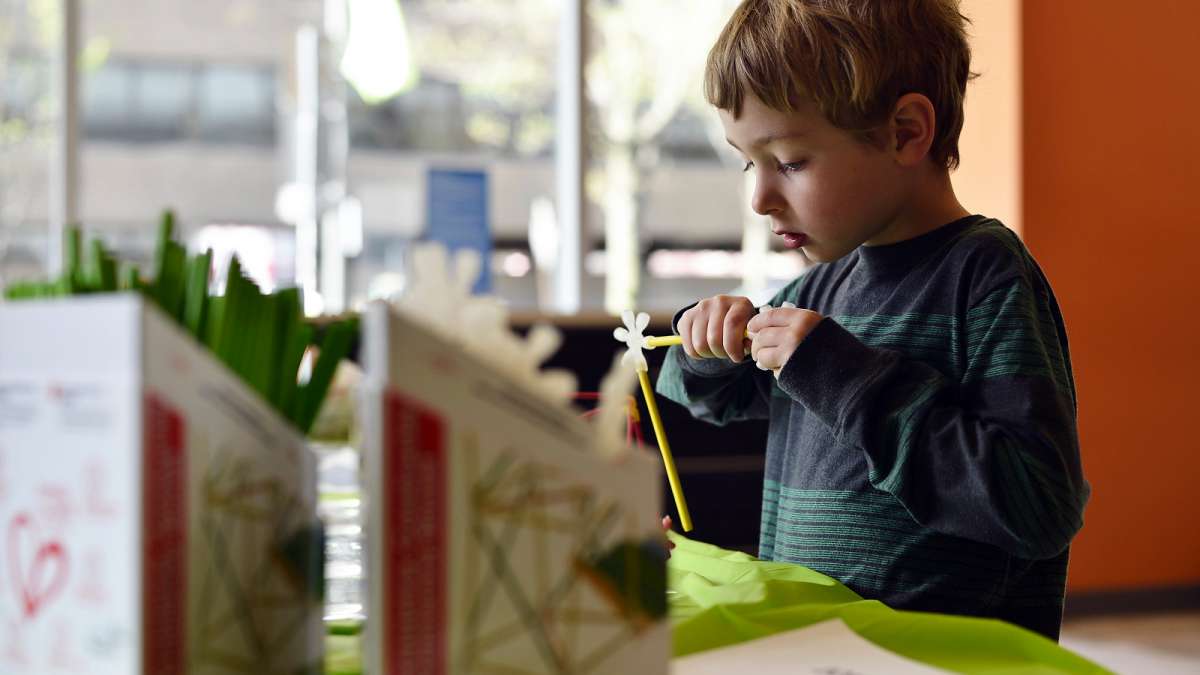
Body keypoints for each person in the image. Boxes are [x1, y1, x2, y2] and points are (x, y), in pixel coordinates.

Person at [656, 0, 1089, 640]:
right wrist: (703, 348)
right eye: (750, 162)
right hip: (815, 650)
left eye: (792, 162)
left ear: (906, 132)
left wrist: (848, 379)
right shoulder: (811, 291)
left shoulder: (986, 276)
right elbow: (710, 399)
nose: (760, 198)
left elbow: (1036, 506)